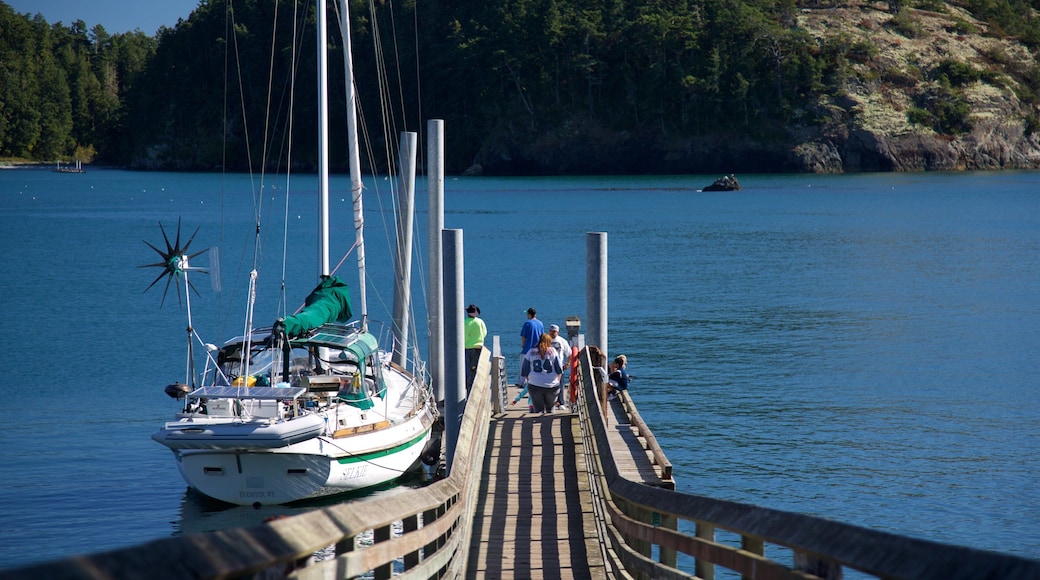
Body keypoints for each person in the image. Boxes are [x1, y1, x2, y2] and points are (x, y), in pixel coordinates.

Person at [519, 333, 563, 414]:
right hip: (552, 386)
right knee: (551, 409)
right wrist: (557, 381)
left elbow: (524, 370)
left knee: (538, 409)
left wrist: (531, 380)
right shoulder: (554, 352)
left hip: (535, 385)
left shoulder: (530, 352)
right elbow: (559, 370)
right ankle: (550, 423)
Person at [464, 304, 487, 389]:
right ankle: (473, 388)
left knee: (467, 370)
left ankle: (467, 388)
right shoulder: (480, 322)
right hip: (478, 348)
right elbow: (484, 333)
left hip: (466, 348)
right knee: (475, 370)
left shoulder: (463, 322)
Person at [518, 307, 543, 385]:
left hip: (527, 349)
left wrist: (523, 345)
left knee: (524, 366)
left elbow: (523, 336)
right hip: (538, 349)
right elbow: (542, 336)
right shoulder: (540, 323)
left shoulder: (527, 323)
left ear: (529, 314)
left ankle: (522, 383)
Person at [548, 324, 570, 409]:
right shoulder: (546, 340)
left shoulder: (562, 341)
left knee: (560, 385)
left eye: (554, 331)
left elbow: (569, 353)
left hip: (559, 366)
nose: (552, 333)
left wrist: (567, 363)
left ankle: (561, 402)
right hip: (548, 366)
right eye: (551, 331)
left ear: (557, 332)